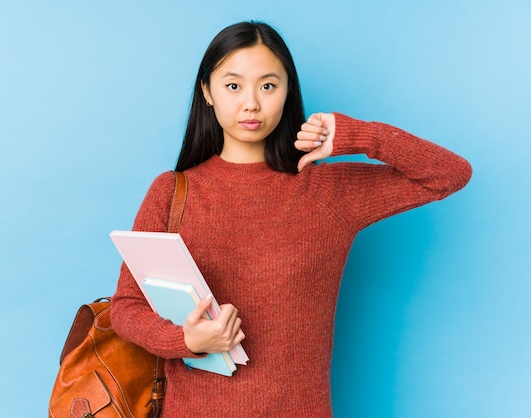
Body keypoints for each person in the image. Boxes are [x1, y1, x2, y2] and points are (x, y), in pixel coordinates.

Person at [111, 21, 472, 417]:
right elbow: (126, 308)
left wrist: (361, 136)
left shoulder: (329, 192)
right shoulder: (172, 192)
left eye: (268, 85)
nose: (251, 103)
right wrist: (184, 339)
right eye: (233, 85)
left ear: (287, 92)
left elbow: (450, 174)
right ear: (207, 92)